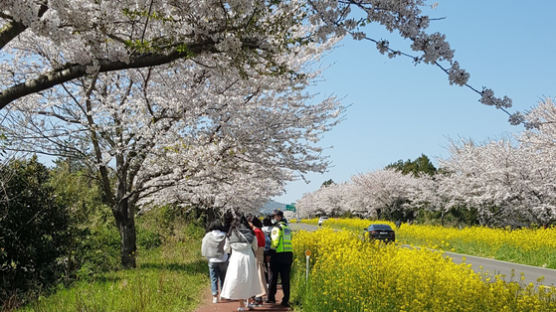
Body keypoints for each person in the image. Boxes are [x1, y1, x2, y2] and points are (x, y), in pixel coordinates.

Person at [220, 213, 265, 311]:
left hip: (236, 258)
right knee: (249, 279)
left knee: (238, 280)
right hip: (248, 257)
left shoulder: (231, 233)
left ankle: (241, 305)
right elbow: (255, 247)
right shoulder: (251, 233)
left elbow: (226, 249)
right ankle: (249, 302)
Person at [267, 209, 293, 307]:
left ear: (279, 217)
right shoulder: (287, 228)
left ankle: (271, 298)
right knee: (285, 279)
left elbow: (275, 242)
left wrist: (270, 252)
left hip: (278, 255)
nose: (272, 218)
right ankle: (286, 300)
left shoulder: (276, 228)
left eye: (274, 217)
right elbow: (290, 238)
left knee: (273, 277)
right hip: (288, 254)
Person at [201, 221, 229, 303]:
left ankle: (214, 296)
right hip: (223, 259)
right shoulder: (224, 235)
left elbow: (204, 246)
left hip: (212, 260)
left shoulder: (207, 236)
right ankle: (223, 294)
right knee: (223, 278)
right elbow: (227, 247)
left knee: (213, 278)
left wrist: (206, 256)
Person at [247, 215, 268, 306]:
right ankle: (258, 297)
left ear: (252, 222)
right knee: (259, 275)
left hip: (256, 254)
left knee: (258, 276)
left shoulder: (256, 232)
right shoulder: (260, 231)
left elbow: (256, 245)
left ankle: (258, 297)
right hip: (260, 254)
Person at [261, 216, 273, 286]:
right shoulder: (273, 229)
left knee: (264, 266)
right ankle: (272, 280)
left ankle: (266, 281)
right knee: (271, 267)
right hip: (271, 249)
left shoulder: (262, 229)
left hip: (263, 249)